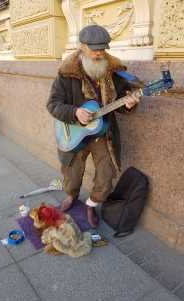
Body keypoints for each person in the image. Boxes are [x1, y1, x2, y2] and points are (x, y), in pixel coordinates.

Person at [46, 24, 140, 228]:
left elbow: (122, 104)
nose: (99, 53)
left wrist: (129, 104)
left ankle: (91, 203)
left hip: (102, 133)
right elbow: (52, 104)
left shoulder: (114, 71)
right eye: (94, 49)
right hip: (74, 132)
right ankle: (71, 196)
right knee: (71, 171)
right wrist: (75, 112)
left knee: (106, 172)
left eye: (102, 49)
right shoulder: (66, 73)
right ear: (82, 47)